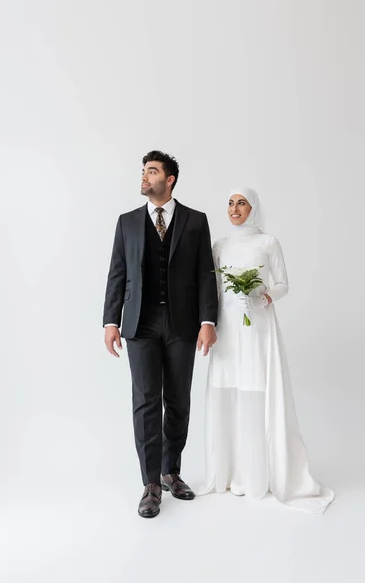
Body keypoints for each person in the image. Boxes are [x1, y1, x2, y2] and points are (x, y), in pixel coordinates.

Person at [201, 187, 334, 513]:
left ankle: (257, 475)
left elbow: (283, 283)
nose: (234, 209)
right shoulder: (220, 245)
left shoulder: (268, 242)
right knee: (229, 391)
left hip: (257, 328)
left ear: (253, 208)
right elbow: (213, 288)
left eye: (241, 203)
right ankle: (231, 472)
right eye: (230, 203)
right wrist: (208, 323)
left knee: (255, 390)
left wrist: (263, 298)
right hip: (227, 328)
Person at [103, 151, 218, 518]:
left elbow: (205, 275)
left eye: (151, 171)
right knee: (146, 401)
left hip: (182, 324)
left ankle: (172, 471)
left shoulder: (196, 222)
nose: (144, 176)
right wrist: (110, 321)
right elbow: (117, 274)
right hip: (140, 324)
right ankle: (151, 483)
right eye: (143, 171)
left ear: (169, 180)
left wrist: (208, 322)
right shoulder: (127, 222)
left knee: (178, 401)